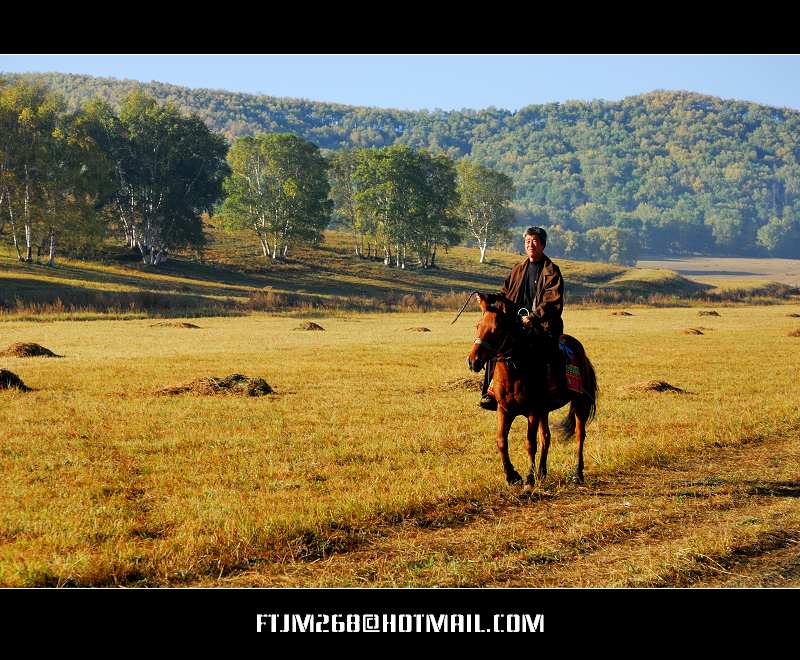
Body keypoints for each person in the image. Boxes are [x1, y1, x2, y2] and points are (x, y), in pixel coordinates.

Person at [479, 226, 565, 410]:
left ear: (543, 244)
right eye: (527, 241)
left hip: (542, 326)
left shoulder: (552, 272)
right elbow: (505, 294)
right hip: (516, 325)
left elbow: (552, 301)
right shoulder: (518, 269)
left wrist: (533, 317)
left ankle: (555, 390)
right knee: (494, 348)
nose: (530, 245)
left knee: (549, 352)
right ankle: (490, 392)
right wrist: (490, 299)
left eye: (534, 241)